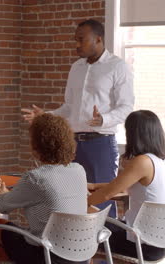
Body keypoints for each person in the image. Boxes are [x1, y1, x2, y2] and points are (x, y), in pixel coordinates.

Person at [22, 19, 134, 217]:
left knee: (102, 201)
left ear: (98, 39)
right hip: (72, 145)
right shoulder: (76, 68)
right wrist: (45, 115)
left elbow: (126, 107)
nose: (76, 44)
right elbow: (69, 108)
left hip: (100, 144)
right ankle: (76, 245)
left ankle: (103, 245)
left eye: (81, 40)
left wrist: (104, 119)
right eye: (75, 39)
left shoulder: (117, 67)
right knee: (72, 197)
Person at [0, 113, 88, 264]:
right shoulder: (79, 170)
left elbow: (3, 206)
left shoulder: (36, 178)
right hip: (80, 255)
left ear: (35, 146)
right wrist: (8, 194)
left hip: (47, 255)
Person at [88, 110, 165, 261]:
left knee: (82, 228)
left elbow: (107, 194)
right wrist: (94, 186)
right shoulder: (161, 161)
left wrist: (79, 203)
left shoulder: (142, 161)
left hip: (143, 245)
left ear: (134, 134)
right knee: (99, 221)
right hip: (158, 242)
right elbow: (122, 187)